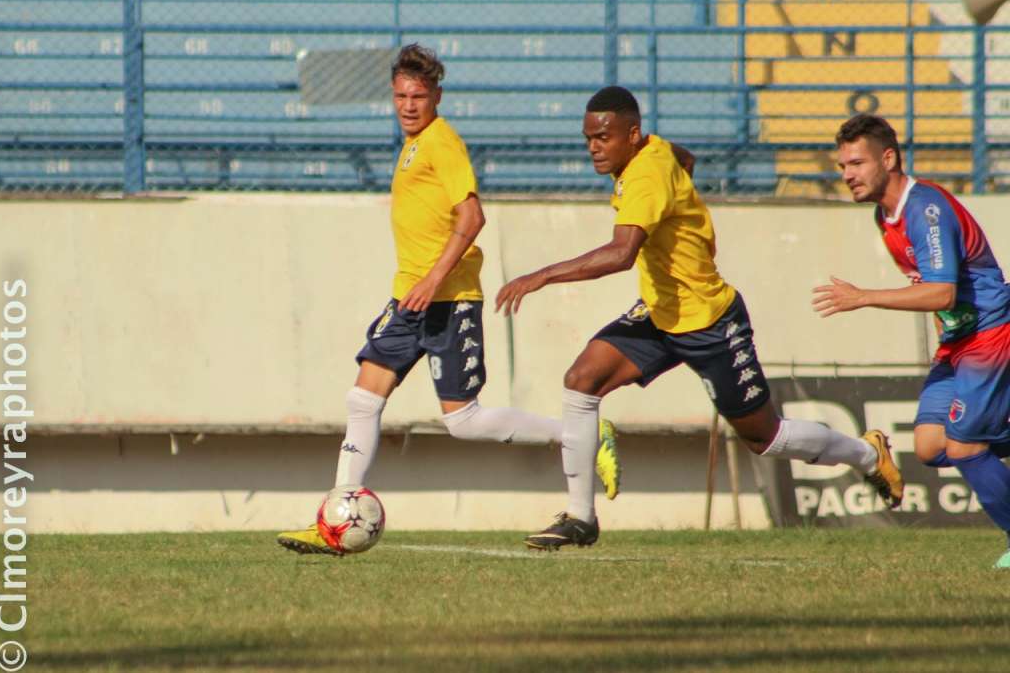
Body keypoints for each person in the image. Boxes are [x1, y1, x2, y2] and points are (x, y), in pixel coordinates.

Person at [495, 86, 904, 551]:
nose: (594, 147)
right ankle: (581, 518)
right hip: (660, 314)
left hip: (710, 321)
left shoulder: (646, 176)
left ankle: (867, 454)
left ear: (631, 134)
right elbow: (684, 158)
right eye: (588, 137)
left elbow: (622, 253)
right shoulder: (653, 151)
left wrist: (541, 275)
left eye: (604, 137)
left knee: (764, 438)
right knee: (581, 380)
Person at [277, 45, 620, 555]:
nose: (408, 105)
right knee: (362, 398)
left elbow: (472, 216)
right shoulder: (414, 144)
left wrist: (434, 279)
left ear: (436, 94)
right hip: (410, 302)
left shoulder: (442, 143)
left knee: (463, 421)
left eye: (418, 95)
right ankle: (335, 517)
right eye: (400, 95)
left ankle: (582, 434)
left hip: (447, 299)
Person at [814, 114, 1010, 569]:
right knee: (929, 446)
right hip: (959, 341)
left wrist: (863, 297)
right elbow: (934, 291)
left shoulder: (926, 209)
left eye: (856, 163)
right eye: (843, 165)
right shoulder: (884, 216)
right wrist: (946, 342)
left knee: (963, 446)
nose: (847, 175)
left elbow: (941, 291)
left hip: (989, 331)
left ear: (889, 157)